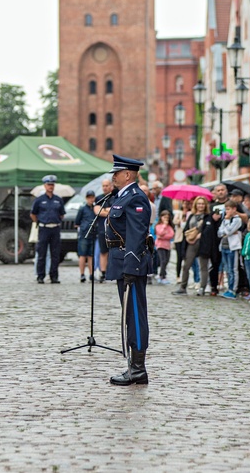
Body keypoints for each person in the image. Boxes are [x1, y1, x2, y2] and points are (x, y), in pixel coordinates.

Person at [103, 155, 152, 386]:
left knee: (134, 315)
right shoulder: (122, 196)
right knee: (129, 315)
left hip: (129, 263)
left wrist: (131, 266)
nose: (113, 176)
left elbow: (136, 235)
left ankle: (138, 369)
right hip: (121, 262)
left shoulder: (135, 198)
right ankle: (134, 366)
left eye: (116, 173)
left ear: (127, 175)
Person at [30, 175, 65, 284]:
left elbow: (62, 214)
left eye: (52, 185)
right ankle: (40, 276)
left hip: (55, 228)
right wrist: (40, 221)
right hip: (44, 228)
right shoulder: (39, 200)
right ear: (45, 186)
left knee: (55, 254)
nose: (51, 186)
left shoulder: (58, 199)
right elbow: (33, 214)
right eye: (49, 184)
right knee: (42, 253)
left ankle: (54, 276)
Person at [174, 196, 210, 296]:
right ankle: (183, 287)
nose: (201, 205)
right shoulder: (191, 215)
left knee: (203, 266)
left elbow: (209, 230)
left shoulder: (207, 216)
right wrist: (188, 237)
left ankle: (202, 287)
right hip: (191, 243)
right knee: (186, 265)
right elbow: (186, 228)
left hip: (203, 243)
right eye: (199, 203)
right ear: (195, 205)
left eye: (202, 204)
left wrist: (199, 235)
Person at [216, 200, 243, 299]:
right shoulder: (224, 220)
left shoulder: (237, 220)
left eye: (228, 209)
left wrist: (227, 224)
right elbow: (219, 233)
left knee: (233, 269)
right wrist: (225, 230)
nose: (226, 212)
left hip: (233, 247)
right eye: (225, 209)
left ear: (234, 209)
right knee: (227, 269)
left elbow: (229, 231)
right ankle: (229, 288)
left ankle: (233, 289)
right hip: (224, 246)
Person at [74, 190, 97, 283]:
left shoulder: (95, 208)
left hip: (93, 234)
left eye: (92, 197)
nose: (91, 199)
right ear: (86, 198)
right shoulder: (82, 209)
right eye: (89, 197)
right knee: (82, 255)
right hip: (84, 234)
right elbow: (77, 222)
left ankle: (92, 274)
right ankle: (82, 274)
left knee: (91, 255)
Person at [94, 178, 112, 283]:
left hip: (113, 229)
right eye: (103, 186)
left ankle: (112, 271)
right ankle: (103, 272)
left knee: (113, 251)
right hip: (101, 229)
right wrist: (108, 210)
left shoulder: (115, 197)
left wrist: (104, 210)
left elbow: (116, 210)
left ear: (111, 186)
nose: (105, 187)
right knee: (103, 251)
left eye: (107, 185)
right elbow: (97, 211)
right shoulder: (99, 198)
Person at [154, 210, 174, 284]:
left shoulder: (170, 226)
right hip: (160, 246)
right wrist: (164, 226)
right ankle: (162, 276)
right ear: (161, 217)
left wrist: (162, 237)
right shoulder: (158, 226)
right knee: (163, 261)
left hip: (167, 246)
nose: (166, 219)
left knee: (166, 261)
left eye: (167, 218)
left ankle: (163, 274)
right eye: (164, 217)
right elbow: (159, 233)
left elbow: (171, 235)